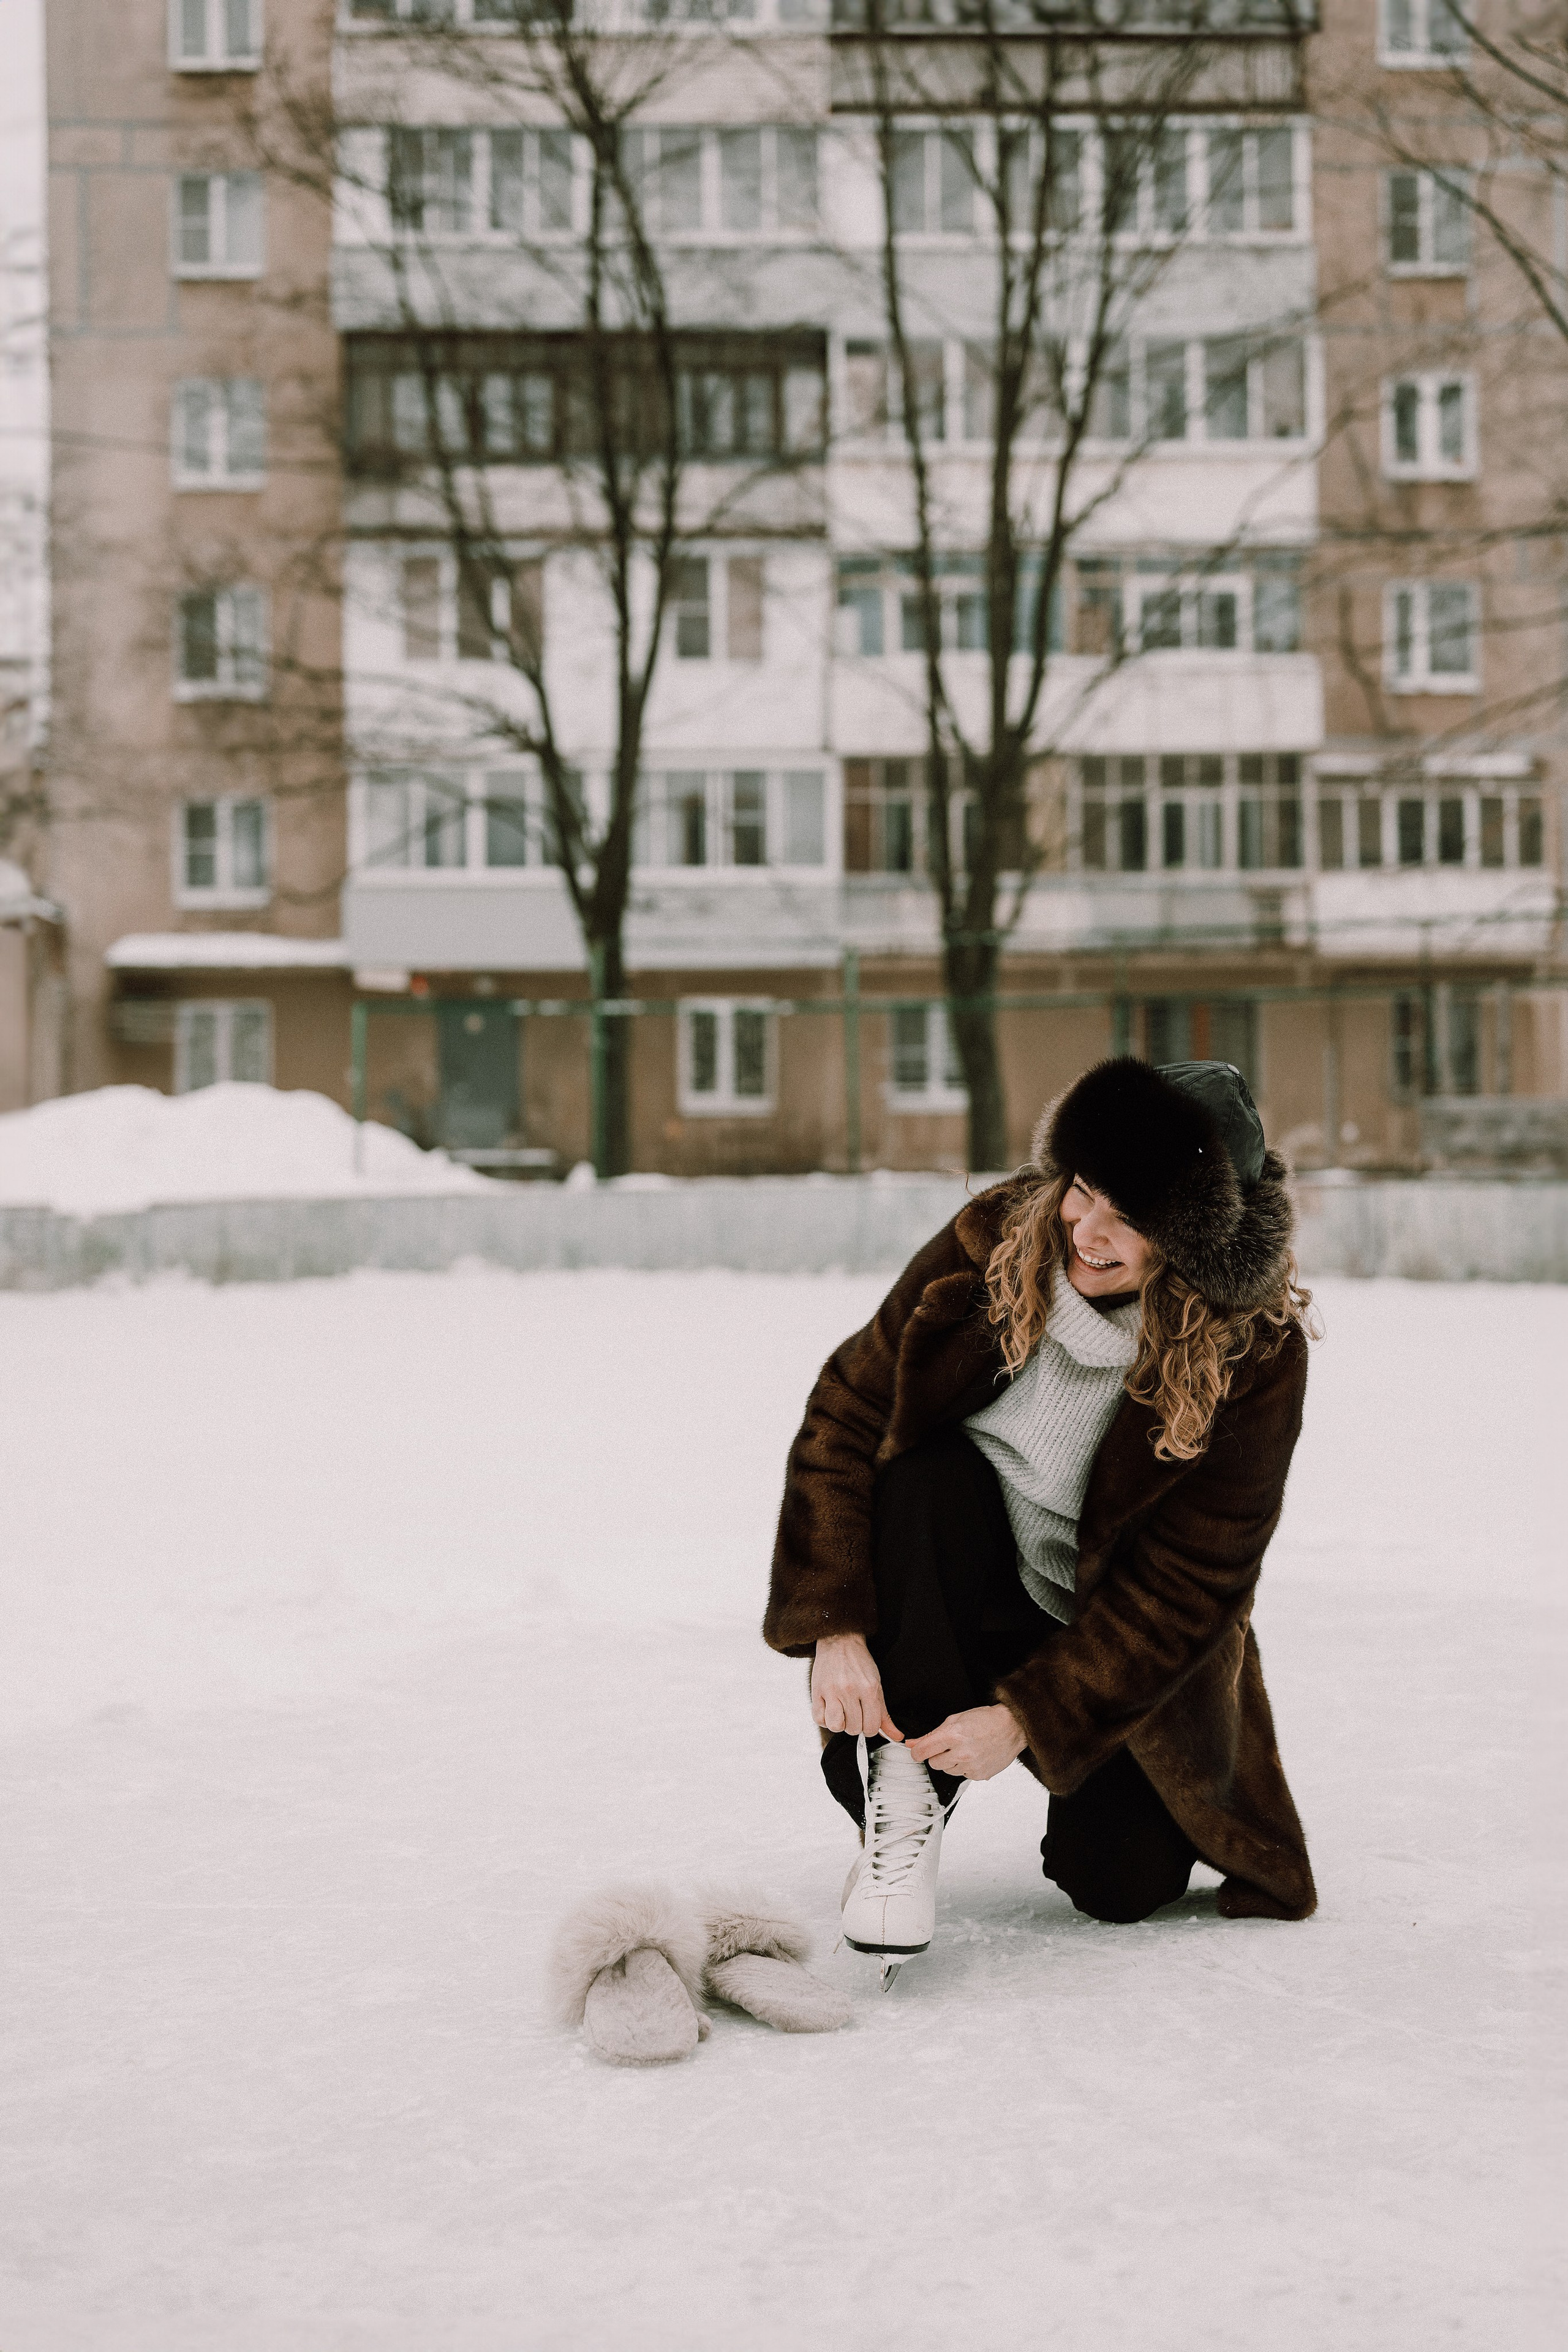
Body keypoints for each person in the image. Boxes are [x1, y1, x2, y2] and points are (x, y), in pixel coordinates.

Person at [763, 1056, 1318, 1975]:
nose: (1087, 1231)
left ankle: (1032, 1770)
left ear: (1191, 1238)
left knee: (1121, 1882)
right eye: (1086, 1190)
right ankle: (905, 1795)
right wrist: (836, 1623)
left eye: (1131, 1217)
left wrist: (1027, 1717)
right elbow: (848, 1409)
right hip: (962, 1574)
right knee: (926, 1473)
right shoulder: (998, 1236)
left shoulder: (1254, 1356)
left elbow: (1192, 1587)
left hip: (1106, 1635)